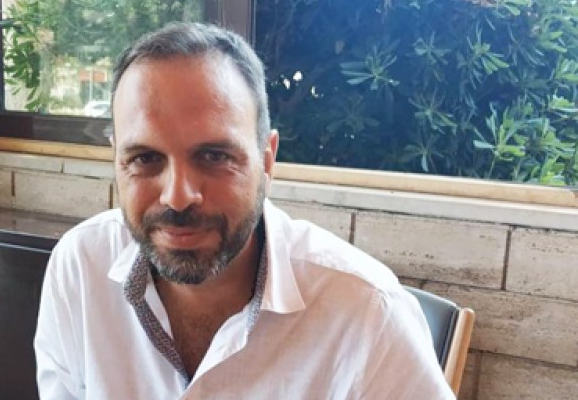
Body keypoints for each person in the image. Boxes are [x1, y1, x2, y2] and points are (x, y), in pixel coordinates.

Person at [34, 22, 455, 399]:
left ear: (267, 160)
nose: (177, 197)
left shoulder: (368, 314)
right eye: (145, 158)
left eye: (214, 156)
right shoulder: (80, 267)